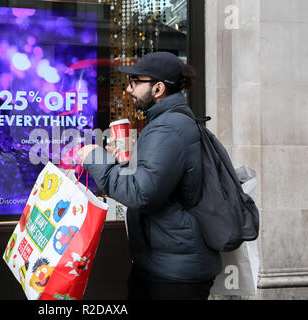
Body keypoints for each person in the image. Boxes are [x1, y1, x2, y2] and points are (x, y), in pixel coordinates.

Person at [77, 52, 222, 300]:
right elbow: (157, 179)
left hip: (174, 274)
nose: (129, 89)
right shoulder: (169, 123)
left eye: (135, 82)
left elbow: (140, 193)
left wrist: (94, 158)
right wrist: (129, 162)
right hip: (164, 262)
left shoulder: (167, 128)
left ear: (158, 88)